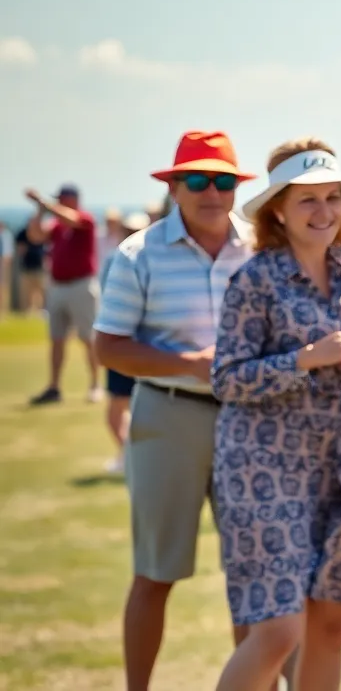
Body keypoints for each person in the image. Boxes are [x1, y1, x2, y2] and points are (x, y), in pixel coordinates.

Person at [210, 137, 341, 691]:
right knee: (279, 629)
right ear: (279, 211)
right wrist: (308, 358)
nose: (324, 213)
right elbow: (226, 379)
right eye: (307, 201)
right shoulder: (254, 279)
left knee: (332, 623)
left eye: (332, 198)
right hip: (264, 467)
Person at [92, 131, 264, 691]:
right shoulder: (138, 254)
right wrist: (191, 364)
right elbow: (108, 346)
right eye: (196, 180)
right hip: (168, 417)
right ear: (173, 186)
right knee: (155, 573)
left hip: (251, 421)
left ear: (238, 187)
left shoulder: (263, 247)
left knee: (254, 574)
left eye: (222, 181)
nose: (210, 192)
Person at [23, 183, 102, 405]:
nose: (58, 202)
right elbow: (36, 236)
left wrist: (43, 203)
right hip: (58, 287)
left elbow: (71, 218)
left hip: (81, 285)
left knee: (88, 338)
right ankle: (54, 387)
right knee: (57, 339)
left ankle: (96, 385)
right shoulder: (56, 225)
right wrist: (39, 211)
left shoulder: (86, 219)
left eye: (62, 199)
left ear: (73, 199)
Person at [97, 211, 152, 475]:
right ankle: (128, 455)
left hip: (147, 348)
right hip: (125, 345)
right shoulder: (118, 259)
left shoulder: (152, 256)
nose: (133, 233)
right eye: (129, 229)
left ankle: (135, 458)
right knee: (118, 408)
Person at [14, 223, 46, 313]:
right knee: (26, 293)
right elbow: (20, 249)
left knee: (39, 292)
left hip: (39, 268)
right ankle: (25, 312)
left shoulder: (42, 232)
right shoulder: (23, 234)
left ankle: (39, 311)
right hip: (27, 267)